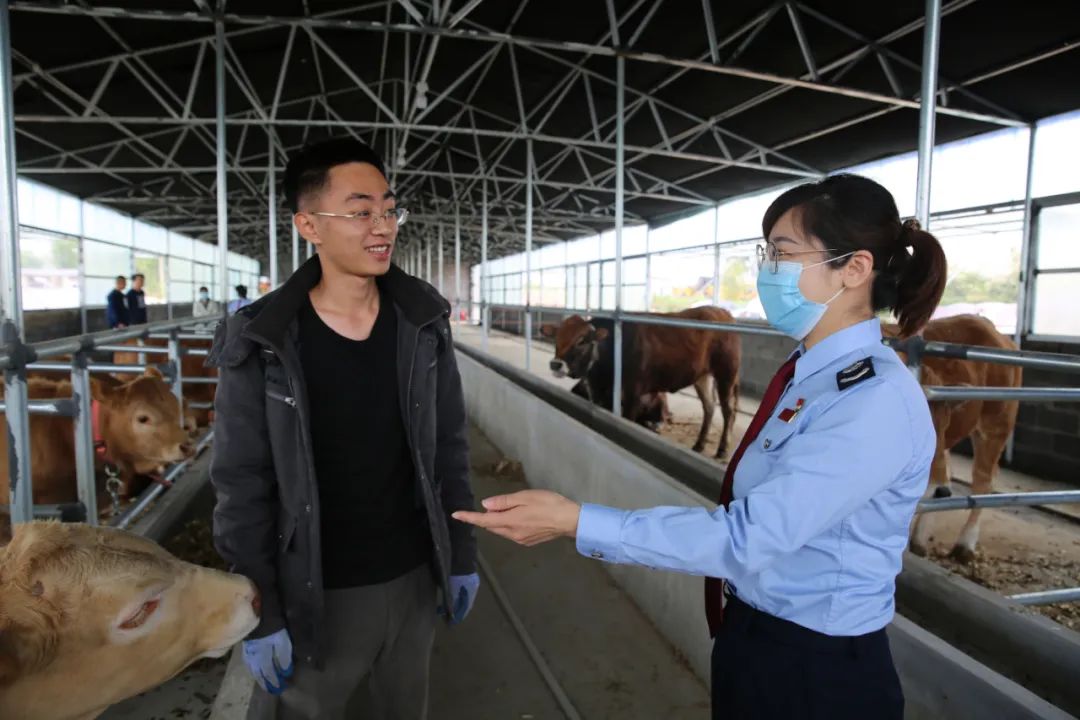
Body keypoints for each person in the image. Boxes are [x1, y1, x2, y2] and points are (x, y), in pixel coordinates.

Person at [455, 173, 948, 720]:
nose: (766, 271)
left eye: (782, 254)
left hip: (816, 670)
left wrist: (579, 522)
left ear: (854, 269)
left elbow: (749, 537)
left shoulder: (873, 400)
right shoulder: (809, 375)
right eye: (766, 253)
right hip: (757, 639)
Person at [208, 136, 479, 720]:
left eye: (388, 208)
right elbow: (241, 483)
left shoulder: (423, 324)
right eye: (360, 211)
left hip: (412, 580)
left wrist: (460, 553)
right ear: (309, 225)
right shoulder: (263, 341)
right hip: (315, 593)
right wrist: (263, 610)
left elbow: (449, 448)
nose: (382, 225)